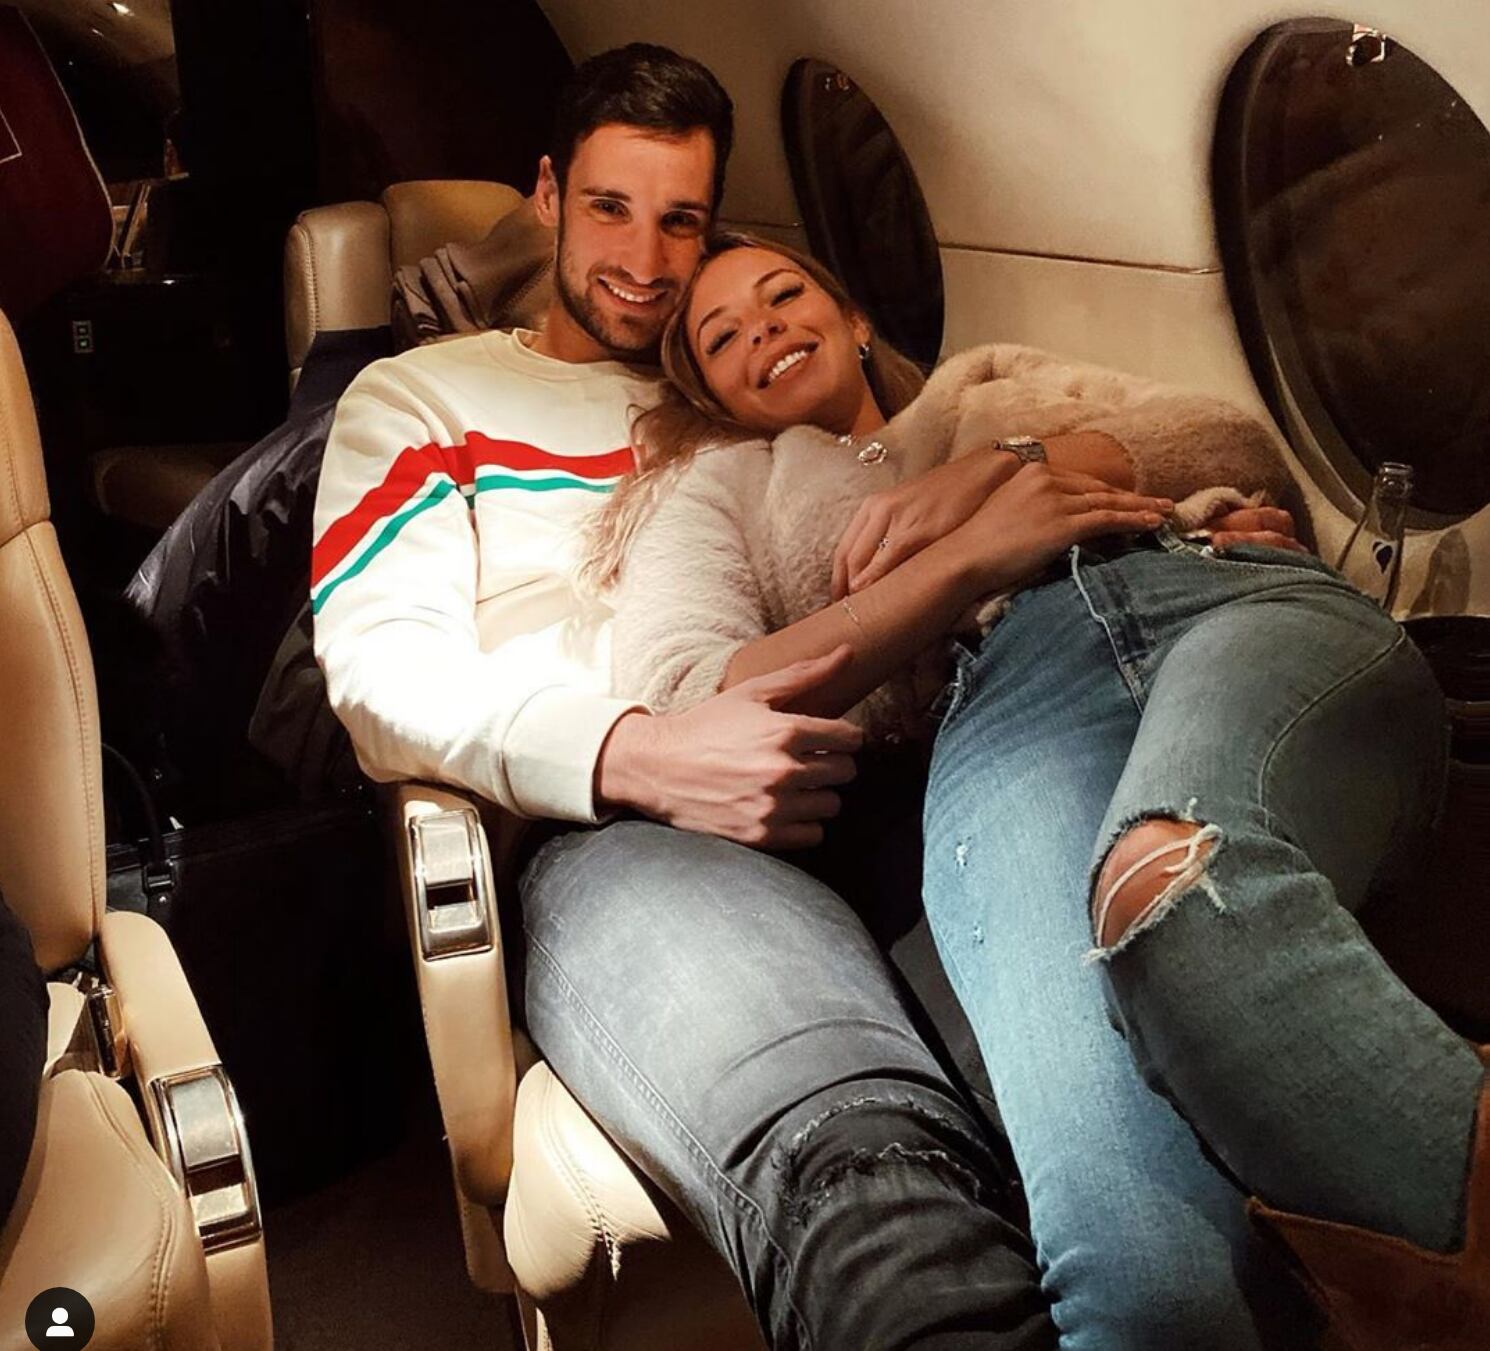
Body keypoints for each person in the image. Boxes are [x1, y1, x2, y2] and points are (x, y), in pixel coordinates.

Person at [596, 232, 1488, 1351]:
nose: (762, 328)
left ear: (854, 319)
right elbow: (692, 690)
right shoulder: (728, 486)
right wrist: (969, 560)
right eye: (722, 336)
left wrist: (1008, 461)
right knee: (1153, 1288)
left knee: (1186, 893)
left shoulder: (986, 381)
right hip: (1006, 700)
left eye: (783, 294)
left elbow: (1232, 444)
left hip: (1226, 597)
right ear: (711, 395)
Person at [314, 44, 1056, 1351]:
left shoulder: (735, 375)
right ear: (548, 196)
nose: (645, 261)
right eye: (609, 208)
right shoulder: (425, 397)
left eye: (681, 222)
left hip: (887, 771)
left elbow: (917, 467)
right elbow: (381, 672)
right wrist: (633, 754)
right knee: (868, 1173)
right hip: (626, 836)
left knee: (1075, 1109)